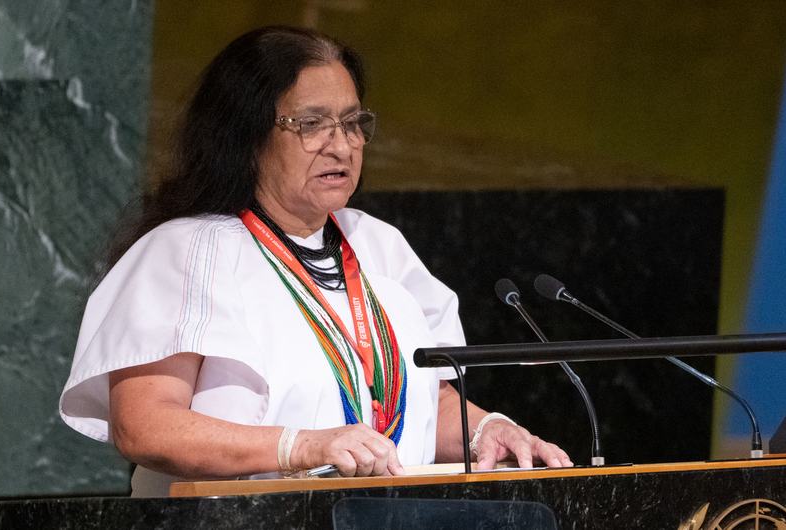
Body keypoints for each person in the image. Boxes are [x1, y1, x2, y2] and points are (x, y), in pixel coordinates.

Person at [58, 25, 572, 497]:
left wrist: (486, 430)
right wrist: (299, 448)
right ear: (248, 135)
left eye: (353, 124)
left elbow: (412, 406)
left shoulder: (378, 245)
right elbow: (146, 426)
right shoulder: (187, 250)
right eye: (311, 123)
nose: (341, 146)